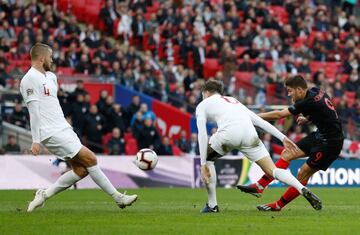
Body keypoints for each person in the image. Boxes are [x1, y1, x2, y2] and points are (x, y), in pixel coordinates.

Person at [19, 43, 137, 212]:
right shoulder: (29, 79)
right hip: (50, 131)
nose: (52, 60)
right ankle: (118, 198)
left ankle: (43, 195)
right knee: (91, 158)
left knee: (81, 170)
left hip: (63, 128)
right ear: (41, 58)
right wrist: (36, 140)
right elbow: (34, 111)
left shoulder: (51, 77)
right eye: (50, 57)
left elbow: (51, 104)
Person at [196, 79, 321, 213]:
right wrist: (283, 137)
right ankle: (301, 188)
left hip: (229, 134)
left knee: (208, 159)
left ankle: (212, 205)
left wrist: (203, 164)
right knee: (272, 170)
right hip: (250, 134)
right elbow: (258, 121)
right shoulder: (233, 101)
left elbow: (202, 134)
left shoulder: (203, 104)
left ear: (206, 92)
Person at [237, 75, 344, 211]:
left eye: (290, 91)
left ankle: (278, 205)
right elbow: (325, 111)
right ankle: (260, 186)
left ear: (299, 90)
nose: (288, 95)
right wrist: (308, 119)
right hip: (319, 135)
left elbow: (279, 115)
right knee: (287, 153)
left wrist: (251, 117)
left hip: (330, 144)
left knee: (302, 174)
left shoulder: (307, 102)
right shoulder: (317, 91)